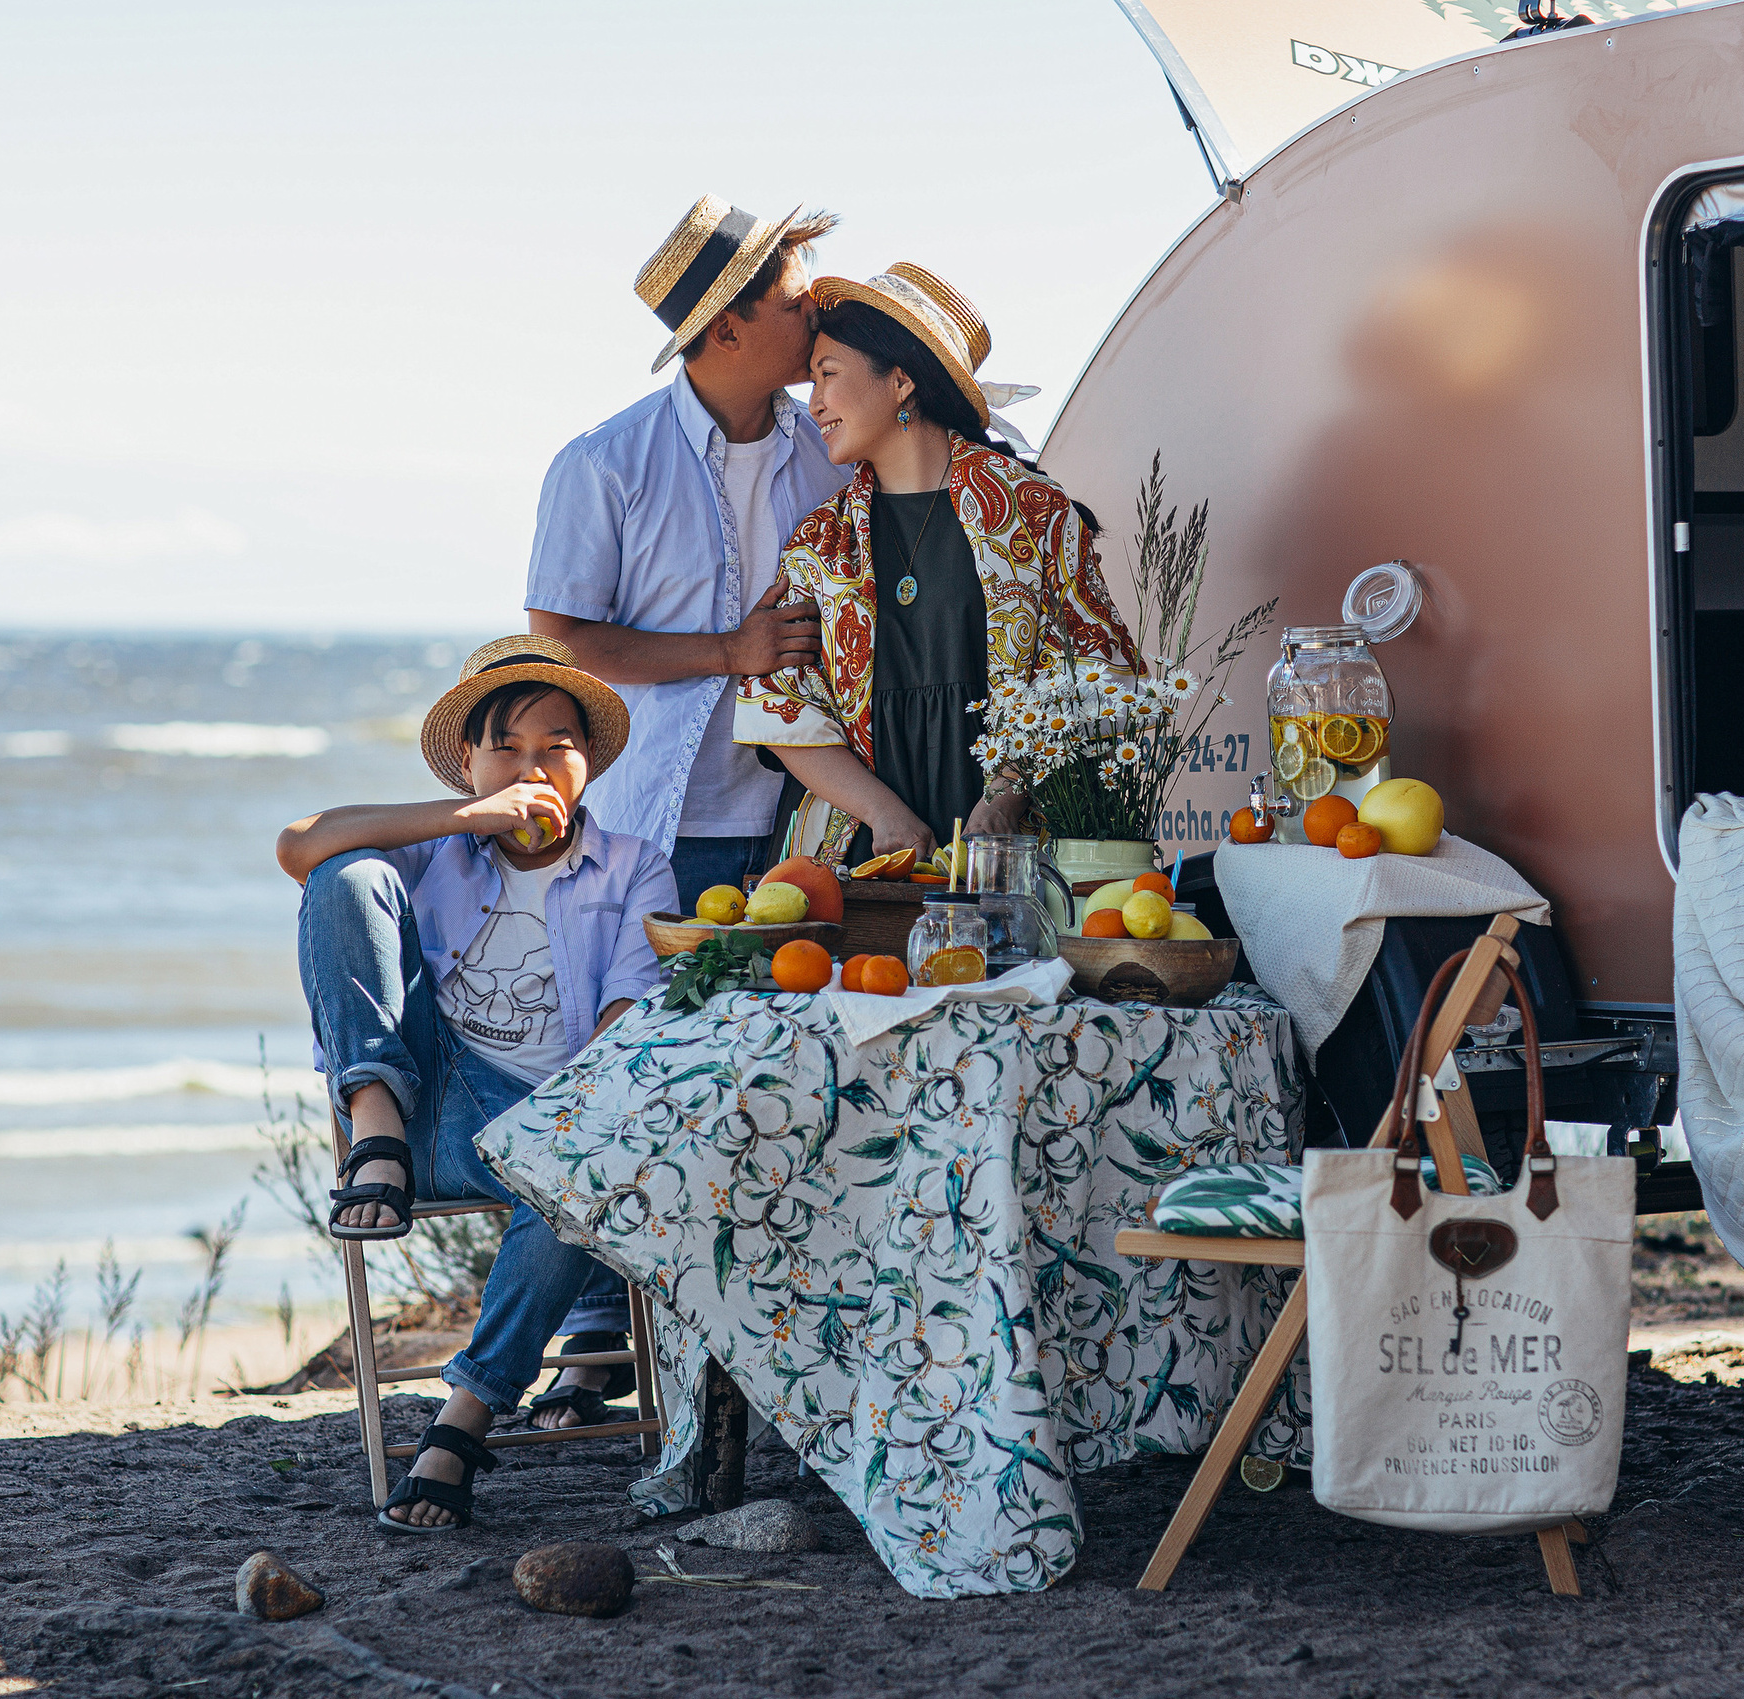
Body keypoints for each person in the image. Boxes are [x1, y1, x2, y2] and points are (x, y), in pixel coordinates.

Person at [276, 635, 673, 1529]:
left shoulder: (634, 866)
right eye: (507, 746)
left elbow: (622, 1031)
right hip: (427, 1106)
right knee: (347, 871)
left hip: (545, 1128)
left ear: (591, 760)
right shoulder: (435, 853)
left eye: (557, 744)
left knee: (587, 1160)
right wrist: (463, 819)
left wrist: (568, 1140)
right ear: (468, 762)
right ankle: (372, 1132)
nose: (533, 765)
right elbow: (299, 846)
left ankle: (467, 1414)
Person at [735, 263, 1142, 865]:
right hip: (861, 859)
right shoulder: (820, 541)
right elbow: (780, 704)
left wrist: (1008, 793)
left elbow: (1104, 670)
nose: (813, 403)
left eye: (827, 376)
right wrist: (883, 813)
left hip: (1014, 851)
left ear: (900, 381)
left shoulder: (1031, 510)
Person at [524, 193, 852, 907]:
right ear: (728, 332)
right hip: (659, 829)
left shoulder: (838, 454)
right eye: (797, 304)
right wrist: (730, 651)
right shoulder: (604, 464)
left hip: (812, 822)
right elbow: (559, 646)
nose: (819, 314)